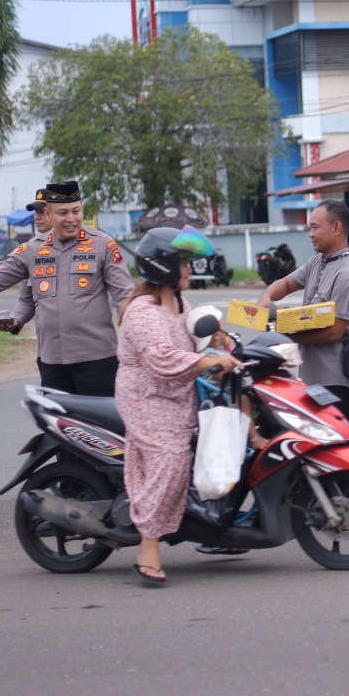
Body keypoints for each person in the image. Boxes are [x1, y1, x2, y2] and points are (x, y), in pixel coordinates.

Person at [117, 227, 245, 585]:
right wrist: (205, 362)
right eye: (184, 264)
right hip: (146, 397)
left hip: (176, 393)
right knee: (171, 458)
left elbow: (197, 338)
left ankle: (217, 529)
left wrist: (219, 342)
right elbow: (162, 359)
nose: (189, 271)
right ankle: (148, 546)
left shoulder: (180, 303)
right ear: (163, 267)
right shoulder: (143, 311)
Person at [0, 180, 133, 395]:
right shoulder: (33, 249)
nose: (71, 219)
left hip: (97, 360)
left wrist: (137, 347)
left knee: (98, 427)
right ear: (49, 214)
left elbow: (125, 298)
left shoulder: (102, 245)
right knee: (56, 426)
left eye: (76, 211)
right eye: (63, 213)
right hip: (52, 362)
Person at [257, 199, 349, 424]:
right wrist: (266, 298)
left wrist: (285, 333)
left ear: (336, 228)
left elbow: (334, 332)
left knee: (336, 444)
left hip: (335, 379)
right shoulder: (317, 262)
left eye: (315, 227)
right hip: (311, 375)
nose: (310, 234)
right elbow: (286, 284)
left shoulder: (347, 274)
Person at [0, 194, 49, 348]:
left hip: (91, 352)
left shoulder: (88, 247)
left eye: (42, 212)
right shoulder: (30, 251)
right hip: (50, 353)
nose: (37, 217)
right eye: (36, 213)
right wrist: (14, 320)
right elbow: (26, 301)